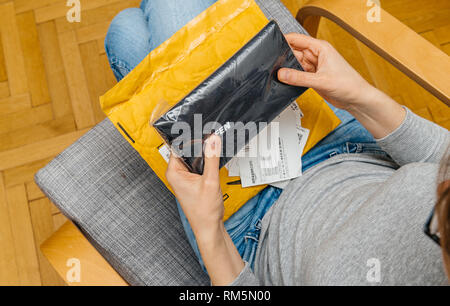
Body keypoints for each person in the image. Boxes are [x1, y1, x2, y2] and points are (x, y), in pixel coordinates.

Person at [106, 0, 450, 285]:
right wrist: (360, 96)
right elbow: (442, 158)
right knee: (139, 29)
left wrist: (208, 229)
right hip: (347, 146)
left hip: (249, 225)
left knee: (132, 30)